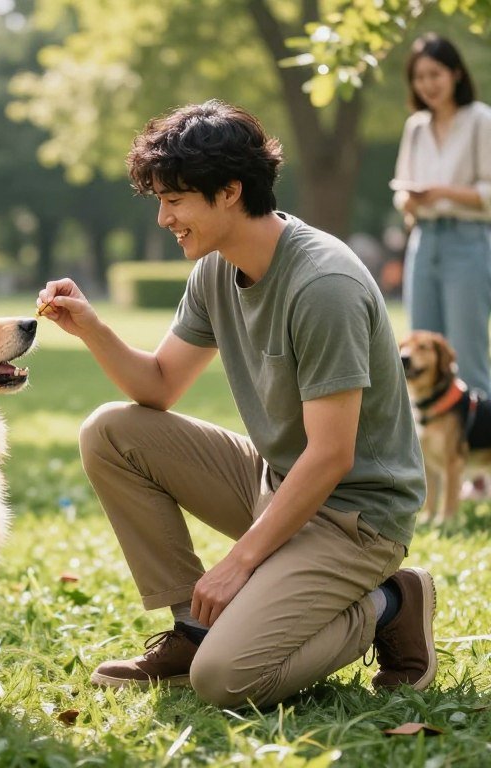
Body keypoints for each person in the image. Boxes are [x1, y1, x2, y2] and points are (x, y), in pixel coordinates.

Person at [37, 100, 433, 708]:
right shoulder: (216, 270)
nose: (165, 218)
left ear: (228, 192)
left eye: (175, 200)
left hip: (355, 515)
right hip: (276, 482)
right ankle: (192, 630)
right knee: (111, 431)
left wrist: (238, 563)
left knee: (226, 682)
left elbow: (332, 456)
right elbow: (159, 386)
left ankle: (390, 605)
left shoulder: (324, 285)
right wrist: (90, 327)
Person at [393, 33, 491, 394]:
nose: (427, 84)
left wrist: (442, 193)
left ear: (456, 74)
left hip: (468, 242)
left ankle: (481, 445)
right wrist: (410, 200)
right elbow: (401, 188)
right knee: (420, 356)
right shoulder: (416, 127)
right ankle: (430, 450)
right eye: (419, 77)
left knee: (467, 358)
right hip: (423, 241)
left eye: (435, 74)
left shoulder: (480, 120)